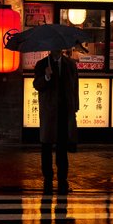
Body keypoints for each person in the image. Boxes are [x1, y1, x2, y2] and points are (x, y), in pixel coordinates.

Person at [33, 48, 79, 193]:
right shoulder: (42, 64)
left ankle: (62, 179)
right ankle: (47, 178)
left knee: (62, 147)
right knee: (46, 146)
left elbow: (75, 86)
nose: (57, 49)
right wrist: (46, 77)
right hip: (49, 111)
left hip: (65, 111)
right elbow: (37, 85)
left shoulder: (70, 64)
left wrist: (75, 106)